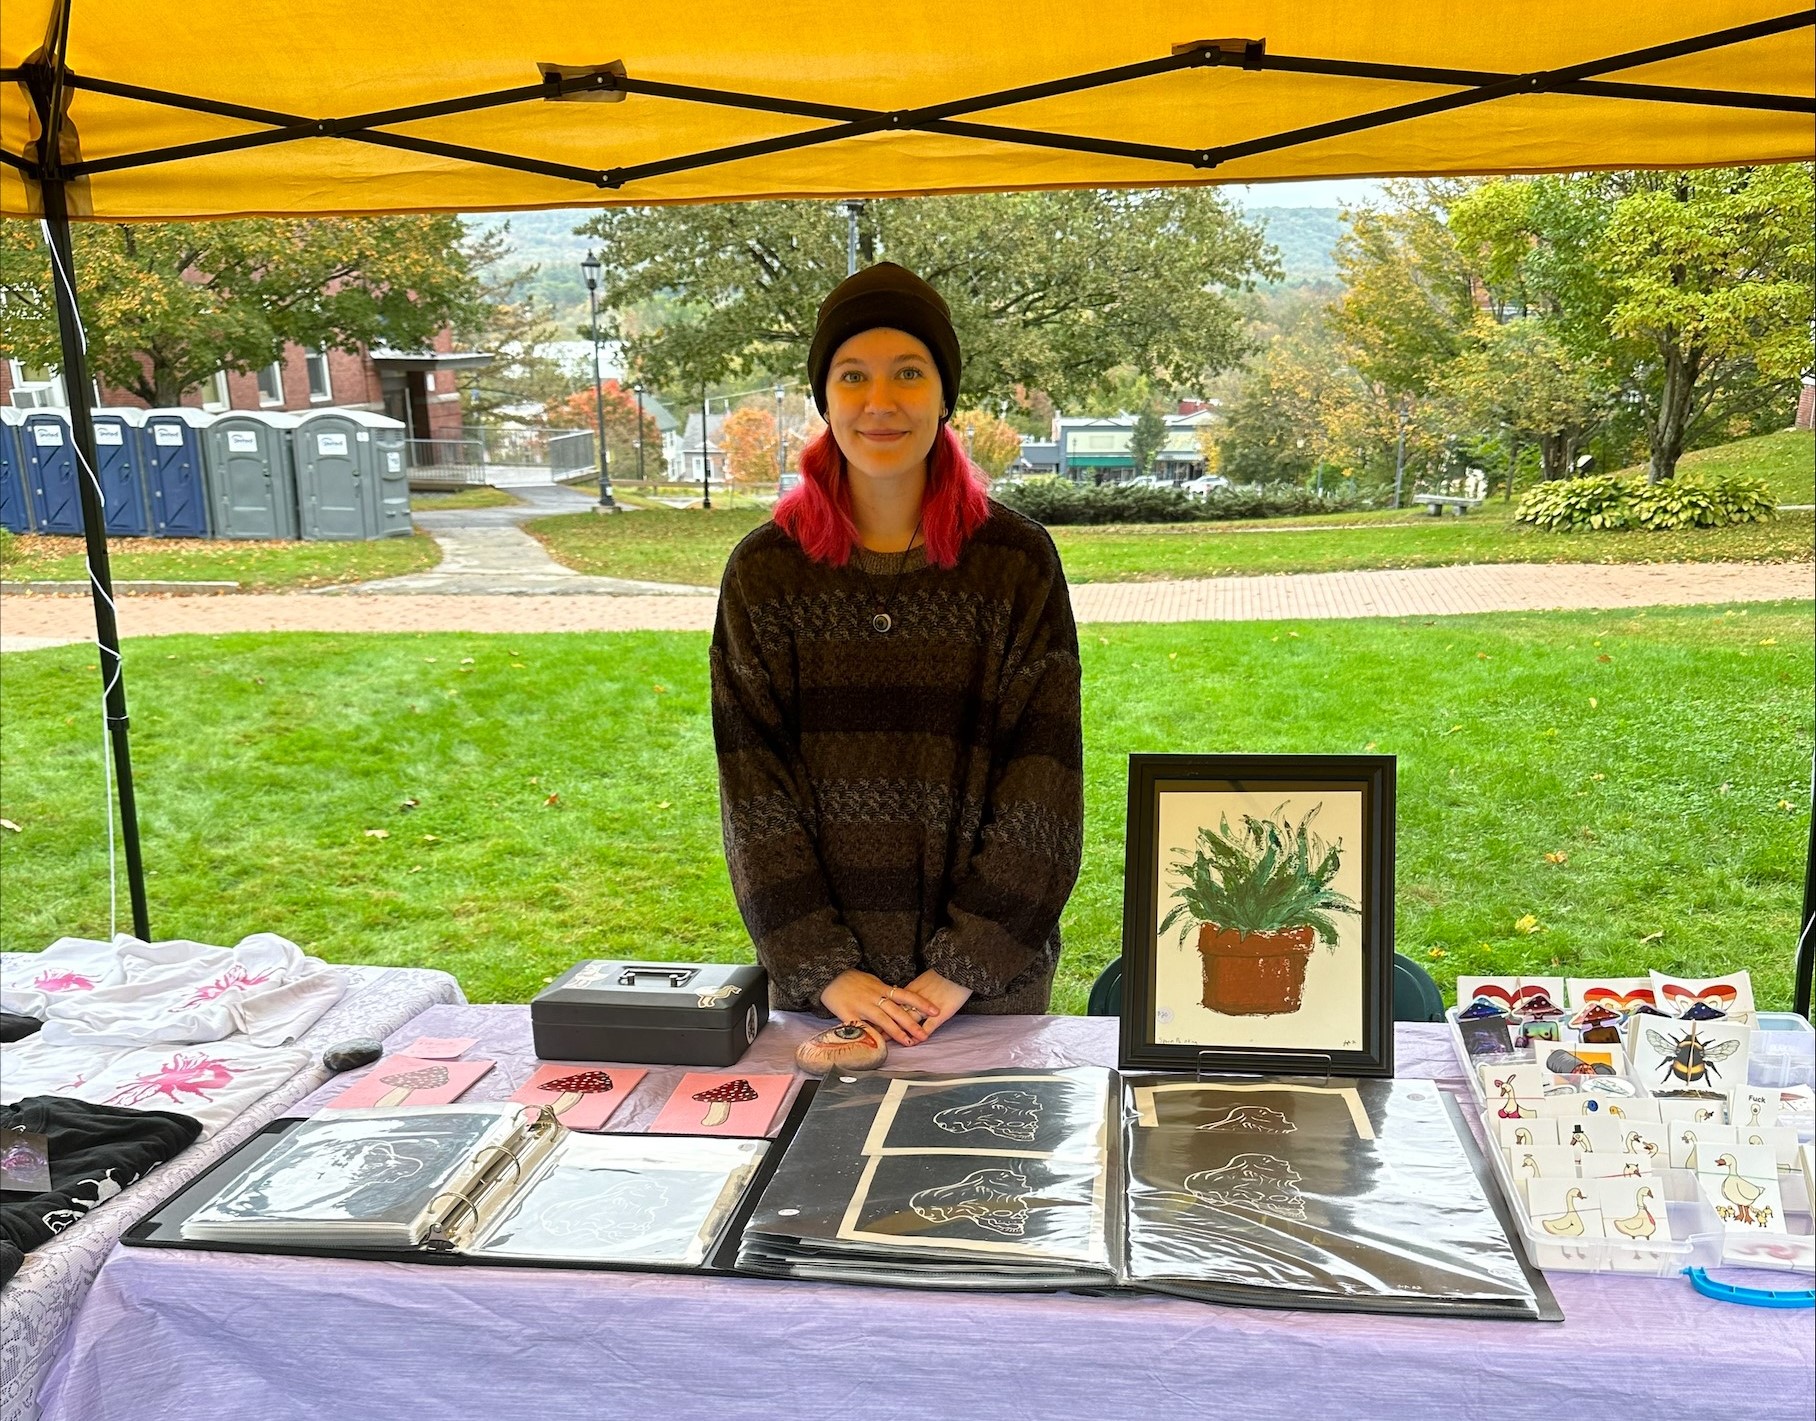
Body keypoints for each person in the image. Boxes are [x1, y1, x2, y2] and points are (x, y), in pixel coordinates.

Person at [710, 262, 1084, 1048]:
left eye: (908, 373)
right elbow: (754, 794)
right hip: (824, 1002)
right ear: (825, 398)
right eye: (853, 377)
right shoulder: (766, 574)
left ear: (943, 394)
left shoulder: (1015, 565)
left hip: (987, 993)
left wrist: (962, 966)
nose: (880, 402)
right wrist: (826, 970)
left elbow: (1042, 783)